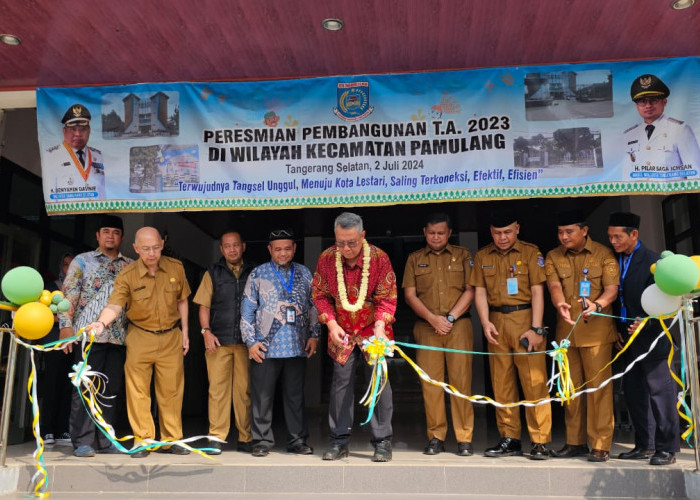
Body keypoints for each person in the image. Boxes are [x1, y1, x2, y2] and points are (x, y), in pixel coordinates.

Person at [87, 227, 190, 458]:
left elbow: (182, 300)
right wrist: (101, 324)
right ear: (135, 248)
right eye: (145, 249)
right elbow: (115, 305)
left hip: (171, 336)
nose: (151, 253)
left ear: (162, 244)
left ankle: (172, 439)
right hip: (140, 335)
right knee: (138, 390)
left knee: (172, 390)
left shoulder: (176, 268)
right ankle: (143, 440)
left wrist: (185, 332)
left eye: (155, 247)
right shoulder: (128, 274)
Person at [312, 212, 398, 462]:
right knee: (341, 384)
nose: (346, 248)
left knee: (379, 383)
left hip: (374, 330)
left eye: (351, 242)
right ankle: (339, 441)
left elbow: (387, 298)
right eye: (340, 242)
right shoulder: (327, 258)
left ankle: (383, 442)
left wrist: (381, 325)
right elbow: (319, 295)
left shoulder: (380, 258)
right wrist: (330, 323)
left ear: (363, 236)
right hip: (341, 330)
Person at [470, 210, 552, 460]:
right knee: (501, 384)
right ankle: (510, 438)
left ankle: (539, 441)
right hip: (496, 323)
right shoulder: (483, 255)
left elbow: (538, 292)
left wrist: (537, 328)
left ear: (517, 228)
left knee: (534, 382)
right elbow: (480, 292)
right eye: (497, 233)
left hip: (525, 321)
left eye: (507, 232)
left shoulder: (530, 252)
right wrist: (484, 323)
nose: (502, 238)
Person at [545, 209, 619, 462]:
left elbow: (611, 290)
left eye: (569, 232)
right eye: (560, 232)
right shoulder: (553, 256)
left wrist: (597, 305)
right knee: (570, 391)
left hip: (597, 333)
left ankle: (600, 444)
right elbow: (554, 285)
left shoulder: (604, 254)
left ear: (584, 230)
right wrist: (559, 304)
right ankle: (575, 442)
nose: (563, 237)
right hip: (567, 333)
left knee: (599, 390)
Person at [607, 212, 679, 466]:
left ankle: (667, 447)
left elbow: (670, 301)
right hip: (627, 337)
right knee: (635, 392)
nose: (613, 241)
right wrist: (617, 327)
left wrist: (647, 322)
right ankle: (644, 444)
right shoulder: (613, 261)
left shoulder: (654, 262)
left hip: (653, 336)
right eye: (610, 236)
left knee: (661, 393)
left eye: (618, 236)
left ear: (634, 234)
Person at [240, 229, 319, 457]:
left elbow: (314, 306)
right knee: (262, 397)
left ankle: (297, 441)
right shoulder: (258, 274)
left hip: (297, 346)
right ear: (269, 250)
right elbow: (246, 310)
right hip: (264, 347)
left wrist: (314, 335)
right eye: (278, 249)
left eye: (287, 248)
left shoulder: (304, 273)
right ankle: (262, 440)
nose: (283, 253)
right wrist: (250, 342)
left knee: (295, 397)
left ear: (294, 248)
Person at [58, 216, 133, 457]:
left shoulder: (130, 265)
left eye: (116, 232)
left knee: (111, 391)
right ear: (98, 236)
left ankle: (105, 439)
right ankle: (82, 440)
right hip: (87, 338)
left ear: (121, 237)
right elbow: (69, 295)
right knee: (84, 388)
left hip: (118, 338)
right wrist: (66, 327)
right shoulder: (82, 261)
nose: (111, 236)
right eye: (106, 231)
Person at [402, 213, 475, 457]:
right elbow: (410, 295)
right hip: (427, 328)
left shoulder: (463, 255)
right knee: (431, 385)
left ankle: (464, 438)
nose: (436, 237)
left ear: (449, 233)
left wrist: (450, 318)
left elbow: (471, 290)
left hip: (459, 326)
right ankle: (436, 436)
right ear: (425, 232)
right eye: (431, 232)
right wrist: (433, 319)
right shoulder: (414, 259)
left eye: (441, 233)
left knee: (461, 382)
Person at [193, 231, 255, 455]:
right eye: (227, 246)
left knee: (244, 392)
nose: (232, 250)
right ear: (221, 250)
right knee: (217, 391)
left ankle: (245, 437)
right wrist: (206, 331)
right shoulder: (213, 272)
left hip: (245, 342)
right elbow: (203, 306)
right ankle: (216, 437)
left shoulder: (253, 272)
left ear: (243, 247)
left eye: (236, 245)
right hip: (217, 341)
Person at [623, 74, 700, 180]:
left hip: (673, 195)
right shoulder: (630, 135)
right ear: (637, 106)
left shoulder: (680, 130)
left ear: (664, 102)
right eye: (642, 101)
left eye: (653, 100)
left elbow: (695, 174)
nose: (648, 105)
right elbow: (626, 176)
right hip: (639, 195)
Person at [39, 253, 74, 448]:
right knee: (51, 384)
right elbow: (44, 314)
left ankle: (63, 428)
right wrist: (65, 320)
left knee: (69, 385)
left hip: (74, 341)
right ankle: (47, 430)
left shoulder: (81, 286)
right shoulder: (52, 288)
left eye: (72, 264)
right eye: (66, 264)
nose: (69, 268)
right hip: (54, 341)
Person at [43, 103, 106, 202]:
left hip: (95, 213)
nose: (78, 134)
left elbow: (103, 192)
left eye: (83, 129)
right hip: (69, 215)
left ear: (89, 131)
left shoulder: (98, 156)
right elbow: (50, 196)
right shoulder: (51, 156)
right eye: (73, 129)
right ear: (64, 131)